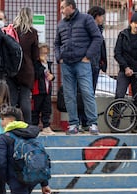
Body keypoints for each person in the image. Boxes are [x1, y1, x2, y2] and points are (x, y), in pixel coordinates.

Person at [54, 0, 103, 135]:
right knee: (69, 96)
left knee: (87, 92)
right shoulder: (61, 24)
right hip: (66, 65)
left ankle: (93, 124)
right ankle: (73, 125)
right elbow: (56, 43)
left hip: (82, 63)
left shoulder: (86, 19)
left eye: (63, 8)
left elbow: (97, 38)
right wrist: (59, 58)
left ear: (71, 7)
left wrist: (88, 56)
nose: (61, 11)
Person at [6, 7, 39, 124]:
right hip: (27, 69)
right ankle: (27, 125)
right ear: (30, 17)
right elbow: (36, 56)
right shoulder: (33, 32)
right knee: (25, 98)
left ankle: (11, 124)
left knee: (12, 99)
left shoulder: (12, 31)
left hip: (13, 69)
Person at [32, 43, 55, 135]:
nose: (44, 55)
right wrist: (42, 67)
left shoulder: (47, 64)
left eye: (46, 53)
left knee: (47, 109)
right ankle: (34, 126)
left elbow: (51, 75)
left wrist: (52, 77)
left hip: (47, 90)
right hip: (38, 90)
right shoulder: (36, 64)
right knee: (36, 109)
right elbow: (36, 75)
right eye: (42, 53)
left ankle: (46, 126)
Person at [87, 6, 108, 92]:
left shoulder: (99, 30)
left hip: (96, 64)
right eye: (102, 16)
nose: (103, 18)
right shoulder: (89, 30)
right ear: (97, 16)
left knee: (91, 91)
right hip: (89, 64)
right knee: (88, 91)